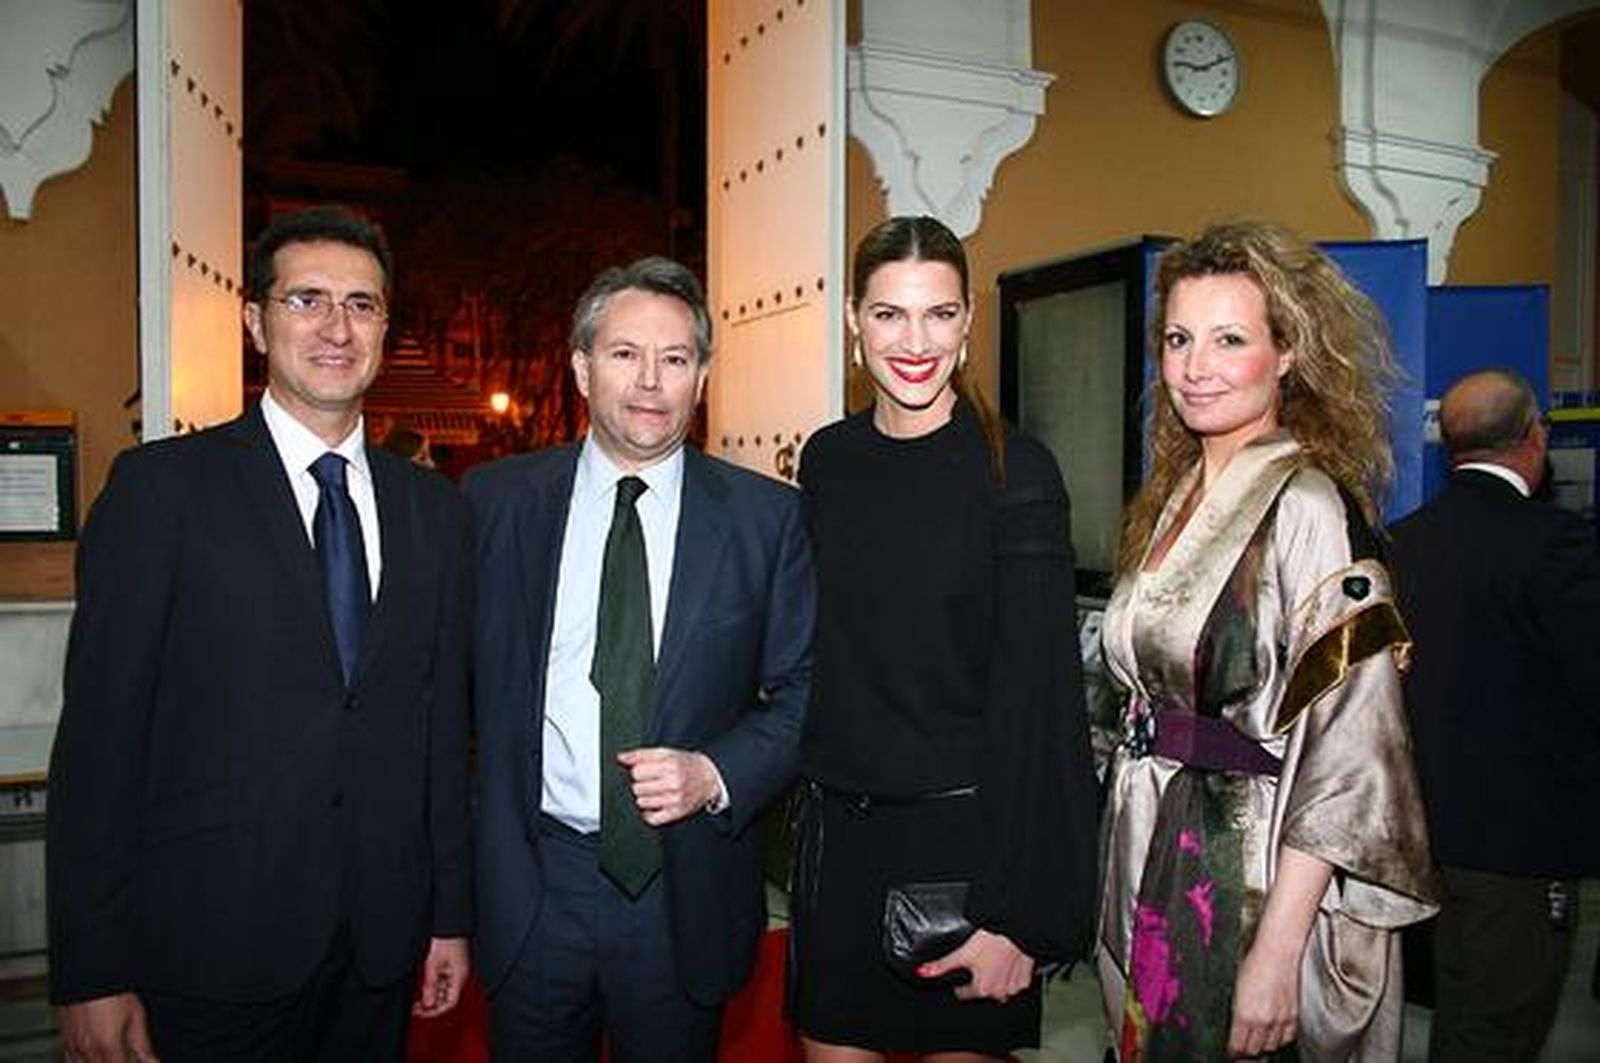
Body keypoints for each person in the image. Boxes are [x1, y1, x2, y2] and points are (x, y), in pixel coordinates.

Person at [47, 205, 472, 1061]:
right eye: (307, 299)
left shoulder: (433, 508)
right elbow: (97, 744)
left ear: (386, 325)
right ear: (255, 320)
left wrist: (448, 915)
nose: (336, 327)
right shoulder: (159, 493)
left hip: (378, 948)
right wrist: (92, 968)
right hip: (209, 948)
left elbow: (435, 729)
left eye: (362, 304)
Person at [1096, 221, 1439, 1060]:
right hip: (1150, 853)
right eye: (1179, 339)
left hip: (1247, 877)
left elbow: (1354, 758)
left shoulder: (1310, 506)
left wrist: (1277, 954)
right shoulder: (1172, 496)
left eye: (1230, 339)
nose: (1196, 365)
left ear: (1287, 353)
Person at [464, 255, 814, 1061]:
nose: (651, 380)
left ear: (701, 375)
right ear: (583, 367)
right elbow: (445, 694)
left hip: (680, 889)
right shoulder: (493, 504)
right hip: (532, 884)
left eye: (676, 357)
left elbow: (806, 688)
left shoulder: (767, 519)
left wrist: (714, 772)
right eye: (625, 354)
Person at [788, 214, 1100, 1061]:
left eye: (939, 314)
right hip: (839, 846)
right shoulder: (827, 462)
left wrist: (1020, 916)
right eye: (889, 314)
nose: (914, 340)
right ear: (854, 322)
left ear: (967, 325)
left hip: (968, 855)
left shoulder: (1018, 472)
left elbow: (1044, 711)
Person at [1388, 368, 1600, 1062]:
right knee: (1498, 1031)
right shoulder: (1558, 543)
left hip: (1417, 835)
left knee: (1452, 1011)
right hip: (1520, 847)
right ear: (1534, 438)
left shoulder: (1400, 544)